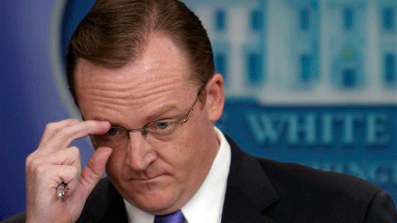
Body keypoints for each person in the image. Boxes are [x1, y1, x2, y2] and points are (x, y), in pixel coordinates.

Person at [3, 0, 397, 222]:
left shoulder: (348, 214)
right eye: (113, 132)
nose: (138, 160)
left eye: (161, 124)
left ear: (212, 98)